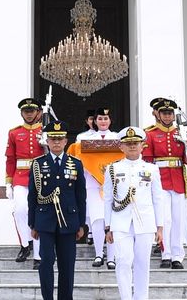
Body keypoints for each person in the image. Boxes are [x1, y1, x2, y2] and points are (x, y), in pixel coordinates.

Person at [104, 127, 166, 300]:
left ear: (142, 146)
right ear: (121, 147)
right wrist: (107, 227)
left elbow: (158, 199)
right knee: (123, 261)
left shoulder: (152, 169)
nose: (132, 146)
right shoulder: (113, 169)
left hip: (145, 222)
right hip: (120, 221)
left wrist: (159, 227)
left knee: (142, 263)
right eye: (128, 143)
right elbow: (108, 198)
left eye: (135, 143)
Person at [28, 122, 86, 300]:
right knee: (45, 262)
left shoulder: (75, 164)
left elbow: (80, 196)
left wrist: (81, 224)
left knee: (67, 265)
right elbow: (32, 196)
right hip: (44, 221)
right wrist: (32, 223)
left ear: (66, 141)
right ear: (47, 141)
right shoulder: (38, 164)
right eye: (53, 139)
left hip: (69, 221)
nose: (56, 143)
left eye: (60, 139)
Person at [141, 98, 187, 268]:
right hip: (160, 180)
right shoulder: (150, 133)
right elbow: (148, 160)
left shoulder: (181, 132)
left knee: (178, 219)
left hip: (178, 179)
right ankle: (166, 253)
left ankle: (178, 256)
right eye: (164, 113)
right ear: (157, 114)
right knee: (164, 219)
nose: (167, 116)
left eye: (170, 113)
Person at [75, 107, 117, 267]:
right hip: (92, 185)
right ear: (94, 121)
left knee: (111, 221)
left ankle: (111, 257)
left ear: (110, 120)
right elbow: (79, 160)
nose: (103, 122)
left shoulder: (117, 138)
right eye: (100, 118)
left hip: (113, 185)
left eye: (106, 119)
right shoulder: (84, 140)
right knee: (97, 221)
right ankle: (99, 254)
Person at [6, 97, 44, 264]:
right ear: (21, 113)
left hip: (41, 176)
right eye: (26, 112)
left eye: (32, 111)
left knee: (39, 214)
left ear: (38, 112)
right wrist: (8, 182)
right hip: (20, 177)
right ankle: (25, 244)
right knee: (20, 210)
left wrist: (46, 144)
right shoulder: (14, 132)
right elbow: (10, 159)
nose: (29, 115)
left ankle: (38, 254)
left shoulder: (45, 131)